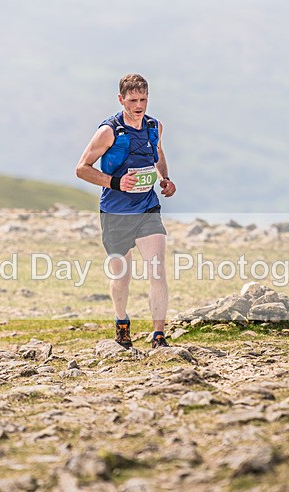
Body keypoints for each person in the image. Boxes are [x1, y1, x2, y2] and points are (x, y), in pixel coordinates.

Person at [75, 73, 176, 349]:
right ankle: (122, 322)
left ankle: (158, 336)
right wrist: (115, 182)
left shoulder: (154, 126)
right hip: (116, 213)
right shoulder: (108, 131)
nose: (139, 105)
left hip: (147, 208)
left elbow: (157, 152)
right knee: (121, 277)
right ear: (121, 100)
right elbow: (81, 169)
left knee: (157, 271)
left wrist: (164, 178)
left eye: (143, 99)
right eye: (133, 100)